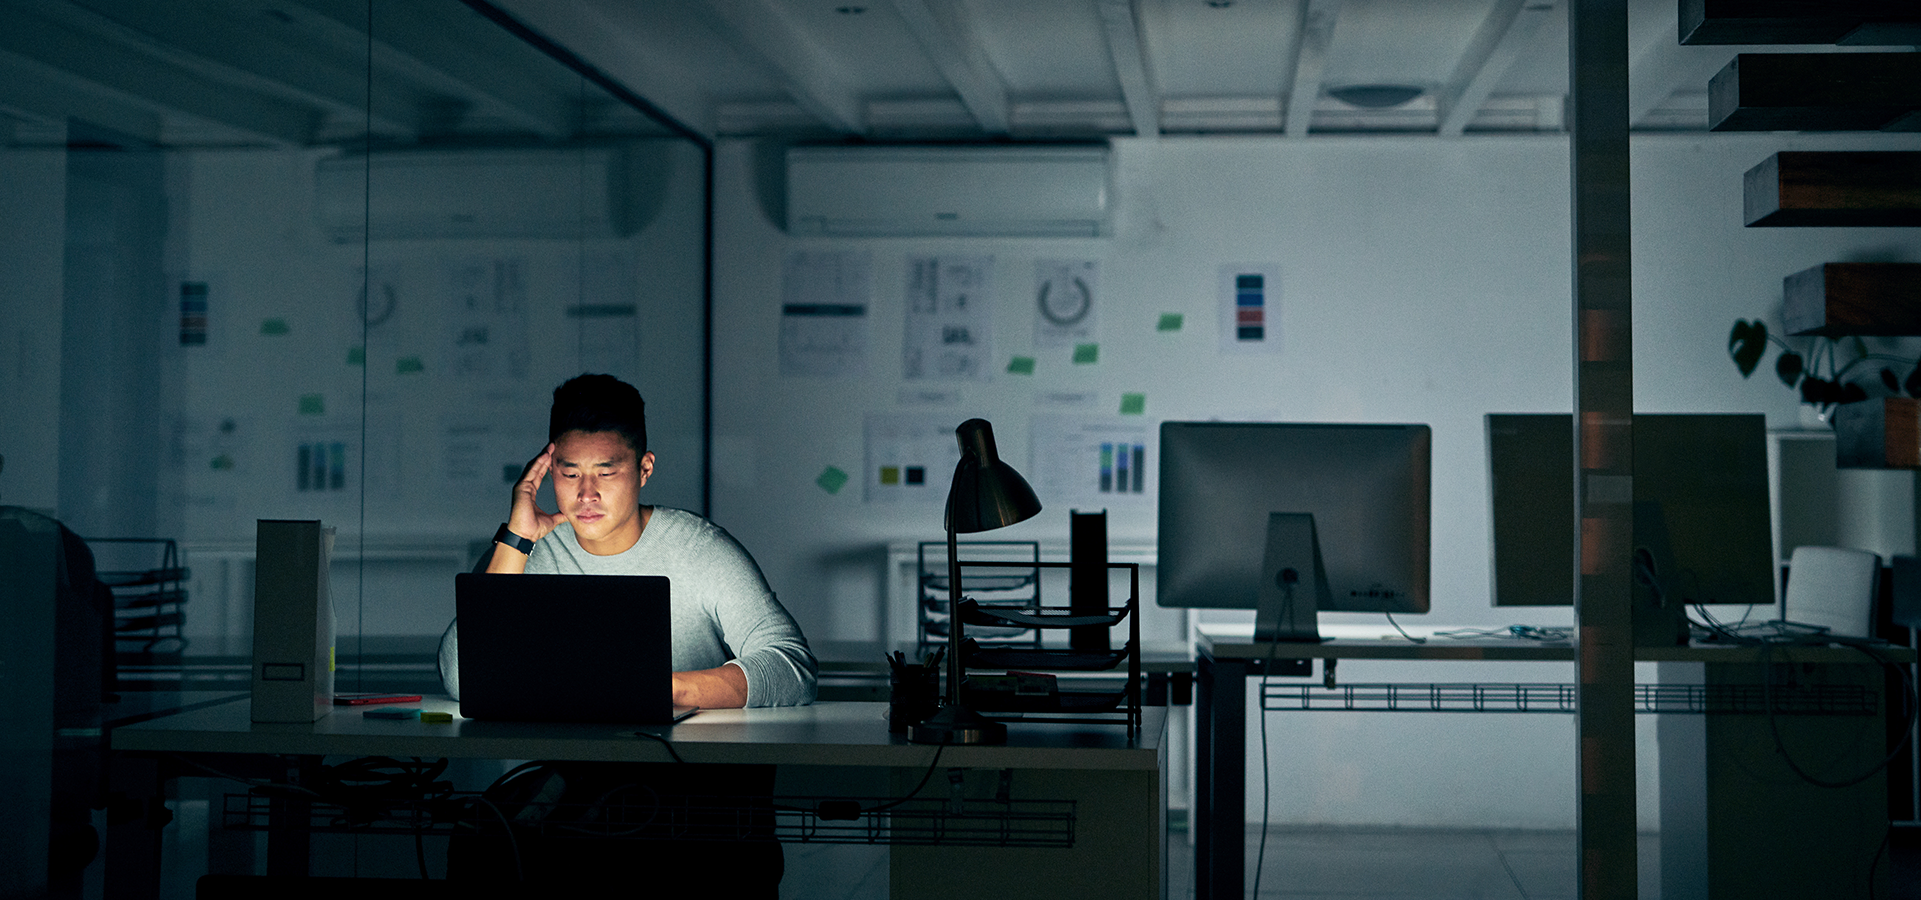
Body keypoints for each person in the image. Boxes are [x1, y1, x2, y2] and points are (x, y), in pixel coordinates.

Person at [437, 373, 817, 707]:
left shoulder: (699, 549)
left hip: (687, 766)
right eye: (570, 475)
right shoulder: (522, 551)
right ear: (549, 471)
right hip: (574, 767)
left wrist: (662, 690)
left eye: (606, 473)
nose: (586, 494)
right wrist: (517, 538)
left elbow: (790, 665)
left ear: (643, 470)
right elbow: (462, 678)